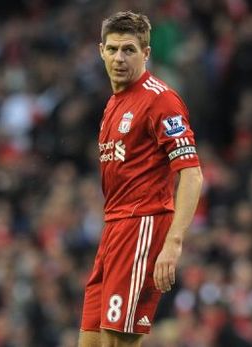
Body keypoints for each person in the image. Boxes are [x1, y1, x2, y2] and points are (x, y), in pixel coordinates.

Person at [79, 11, 203, 347]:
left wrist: (173, 244)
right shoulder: (113, 103)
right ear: (101, 50)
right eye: (114, 49)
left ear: (146, 53)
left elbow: (192, 175)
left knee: (117, 342)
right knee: (89, 342)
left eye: (129, 50)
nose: (120, 58)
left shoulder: (160, 99)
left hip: (142, 226)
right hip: (114, 229)